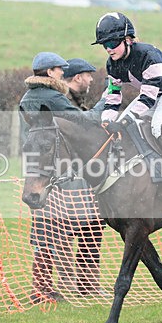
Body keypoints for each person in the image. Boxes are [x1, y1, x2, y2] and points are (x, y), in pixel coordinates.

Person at [19, 52, 105, 304]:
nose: (62, 73)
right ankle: (78, 285)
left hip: (44, 172)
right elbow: (84, 121)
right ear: (49, 72)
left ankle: (45, 287)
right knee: (84, 228)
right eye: (59, 69)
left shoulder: (28, 98)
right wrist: (106, 104)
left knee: (50, 231)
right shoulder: (53, 97)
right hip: (58, 175)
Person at [92, 12, 162, 196]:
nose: (108, 49)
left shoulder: (148, 55)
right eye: (105, 45)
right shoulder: (112, 65)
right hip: (151, 94)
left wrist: (123, 122)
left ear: (128, 40)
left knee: (158, 125)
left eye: (112, 43)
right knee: (121, 125)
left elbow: (147, 98)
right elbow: (113, 96)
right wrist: (107, 120)